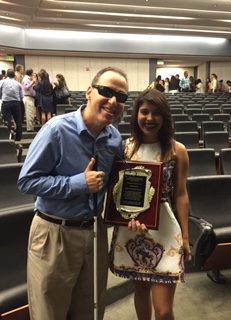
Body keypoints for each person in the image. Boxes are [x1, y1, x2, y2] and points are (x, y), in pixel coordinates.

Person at [17, 66, 129, 320]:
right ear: (89, 92)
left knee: (90, 311)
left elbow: (118, 187)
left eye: (121, 97)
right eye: (106, 91)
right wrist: (77, 183)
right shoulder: (56, 130)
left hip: (94, 232)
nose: (113, 101)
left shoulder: (113, 138)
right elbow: (27, 181)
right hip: (55, 233)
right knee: (50, 313)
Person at [110, 88, 190, 320]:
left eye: (157, 113)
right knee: (141, 291)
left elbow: (181, 194)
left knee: (164, 311)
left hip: (166, 231)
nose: (150, 118)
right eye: (144, 112)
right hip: (132, 231)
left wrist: (185, 237)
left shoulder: (177, 151)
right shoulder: (125, 149)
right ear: (136, 115)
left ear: (165, 117)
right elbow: (118, 193)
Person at [0, 68, 23, 141]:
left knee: (7, 120)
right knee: (18, 121)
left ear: (7, 75)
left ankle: (8, 136)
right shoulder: (18, 84)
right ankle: (18, 137)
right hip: (16, 103)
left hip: (6, 102)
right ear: (14, 75)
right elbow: (21, 96)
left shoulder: (2, 82)